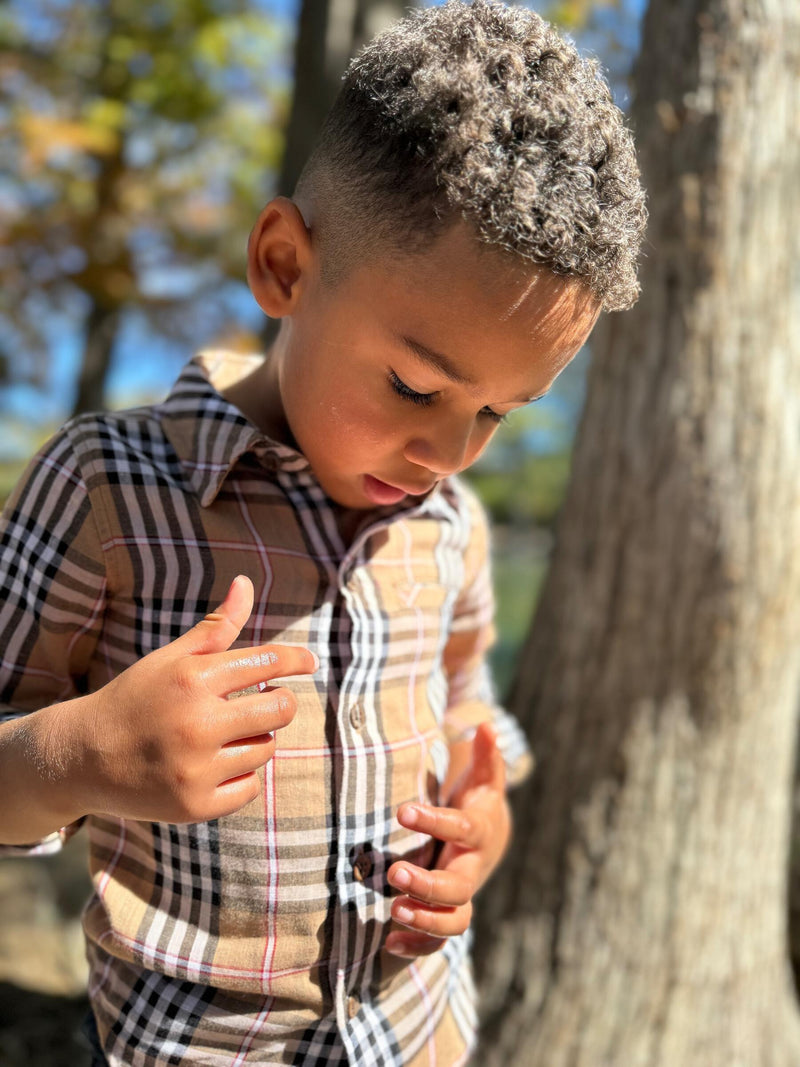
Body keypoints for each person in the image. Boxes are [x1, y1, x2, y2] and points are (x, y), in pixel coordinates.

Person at [0, 1, 646, 1064]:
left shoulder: (447, 529)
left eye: (495, 413)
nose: (450, 452)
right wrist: (84, 752)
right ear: (285, 267)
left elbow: (467, 722)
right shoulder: (110, 491)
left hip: (414, 1032)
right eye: (413, 384)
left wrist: (479, 832)